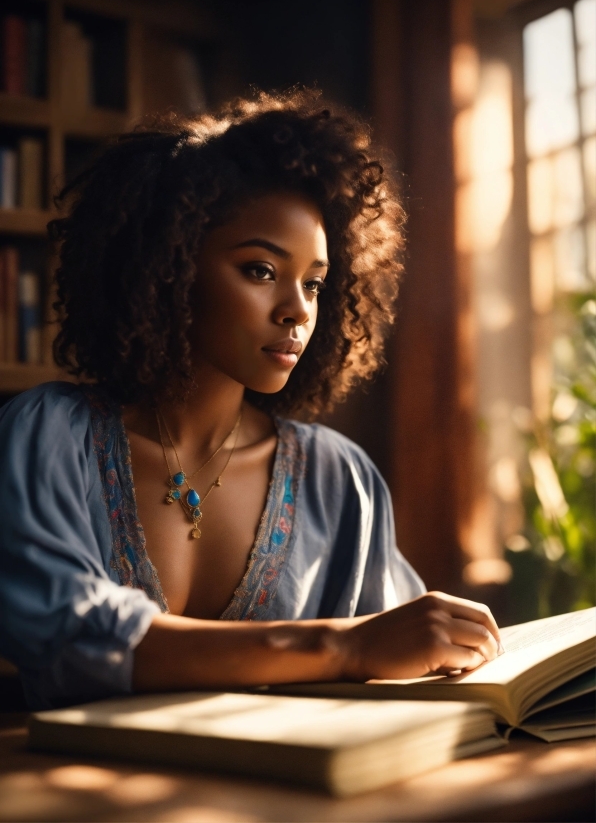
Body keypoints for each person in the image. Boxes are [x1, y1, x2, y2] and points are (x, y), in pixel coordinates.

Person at [0, 89, 501, 710]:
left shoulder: (338, 481)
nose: (297, 310)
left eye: (314, 283)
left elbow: (401, 671)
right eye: (261, 270)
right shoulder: (49, 438)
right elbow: (69, 639)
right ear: (170, 266)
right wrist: (341, 648)